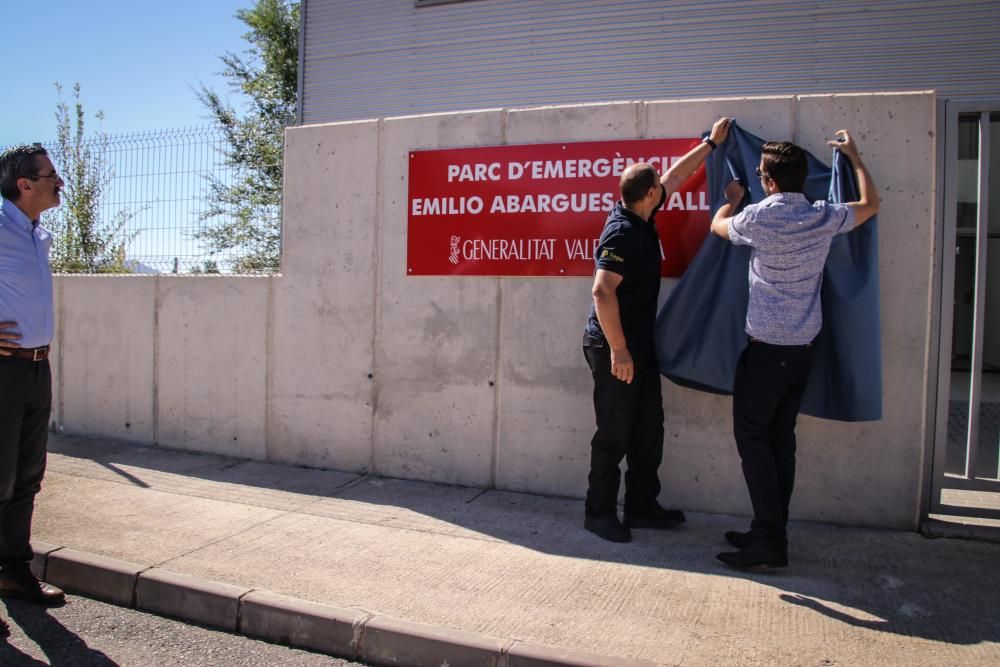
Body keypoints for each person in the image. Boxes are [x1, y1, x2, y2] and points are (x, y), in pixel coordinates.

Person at [708, 131, 879, 568]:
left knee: (753, 439)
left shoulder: (759, 217)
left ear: (767, 180)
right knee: (781, 440)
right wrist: (855, 157)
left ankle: (769, 539)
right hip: (802, 352)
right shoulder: (823, 215)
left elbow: (718, 227)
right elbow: (870, 205)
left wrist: (729, 197)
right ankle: (770, 531)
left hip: (765, 351)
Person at [582, 118, 732, 542]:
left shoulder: (643, 210)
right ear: (648, 195)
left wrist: (709, 144)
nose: (662, 190)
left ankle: (643, 506)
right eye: (657, 189)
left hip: (639, 345)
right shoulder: (623, 230)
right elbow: (602, 291)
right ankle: (598, 512)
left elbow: (676, 176)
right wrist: (620, 351)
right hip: (614, 346)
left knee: (649, 426)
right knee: (615, 431)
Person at [0, 144, 65, 603]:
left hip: (37, 369)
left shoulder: (36, 234)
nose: (59, 182)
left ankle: (12, 571)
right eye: (51, 176)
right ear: (25, 184)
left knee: (26, 477)